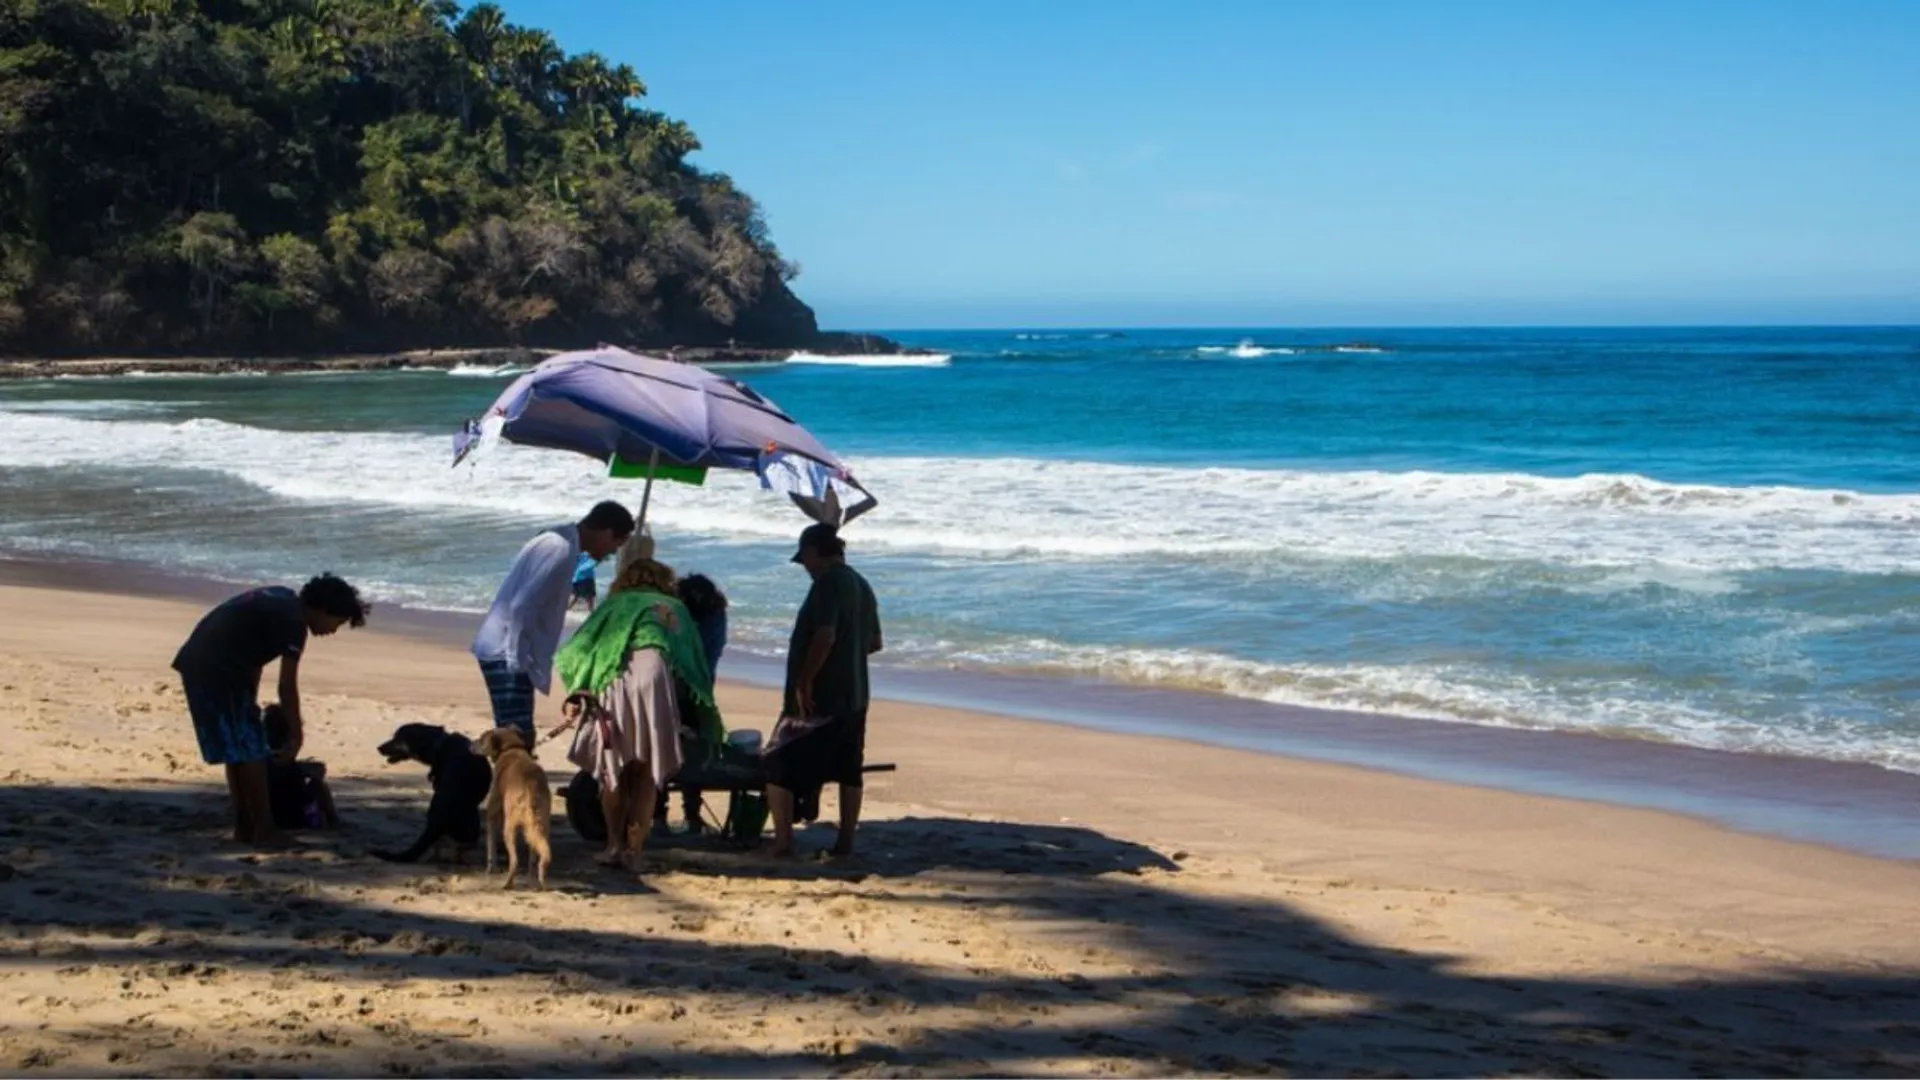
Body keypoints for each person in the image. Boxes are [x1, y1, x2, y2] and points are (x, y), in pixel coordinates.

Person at [546, 557, 723, 872]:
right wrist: (699, 706)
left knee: (613, 771)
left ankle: (613, 845)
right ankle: (635, 852)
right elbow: (691, 659)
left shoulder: (614, 605)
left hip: (615, 679)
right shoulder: (671, 608)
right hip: (654, 679)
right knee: (644, 774)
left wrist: (580, 688)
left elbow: (580, 648)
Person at [171, 574, 369, 848]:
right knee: (252, 751)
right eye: (338, 622)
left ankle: (245, 828)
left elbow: (253, 651)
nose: (333, 630)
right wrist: (297, 735)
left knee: (238, 750)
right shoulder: (294, 623)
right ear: (324, 609)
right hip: (217, 667)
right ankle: (264, 831)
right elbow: (287, 686)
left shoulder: (282, 599)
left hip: (202, 659)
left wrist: (249, 698)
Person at [764, 523, 882, 859]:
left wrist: (805, 679)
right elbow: (874, 642)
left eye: (805, 560)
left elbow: (825, 635)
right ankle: (845, 842)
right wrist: (848, 653)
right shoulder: (861, 583)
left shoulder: (828, 584)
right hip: (855, 694)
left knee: (777, 762)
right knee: (849, 768)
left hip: (820, 699)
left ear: (815, 552)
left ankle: (783, 841)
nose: (805, 568)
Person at [472, 501, 635, 740]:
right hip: (506, 650)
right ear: (607, 531)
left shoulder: (559, 540)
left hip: (507, 647)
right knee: (515, 738)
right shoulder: (560, 548)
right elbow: (521, 605)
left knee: (514, 735)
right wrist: (516, 659)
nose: (613, 552)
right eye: (617, 543)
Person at [653, 573, 730, 835]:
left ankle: (664, 815)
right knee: (691, 748)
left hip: (683, 685)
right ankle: (686, 814)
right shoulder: (714, 612)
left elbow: (674, 647)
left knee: (666, 748)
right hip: (697, 686)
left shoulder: (691, 614)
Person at [263, 703, 339, 831]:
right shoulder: (288, 763)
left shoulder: (260, 761)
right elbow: (318, 771)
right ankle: (333, 821)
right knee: (317, 785)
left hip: (269, 816)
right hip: (300, 818)